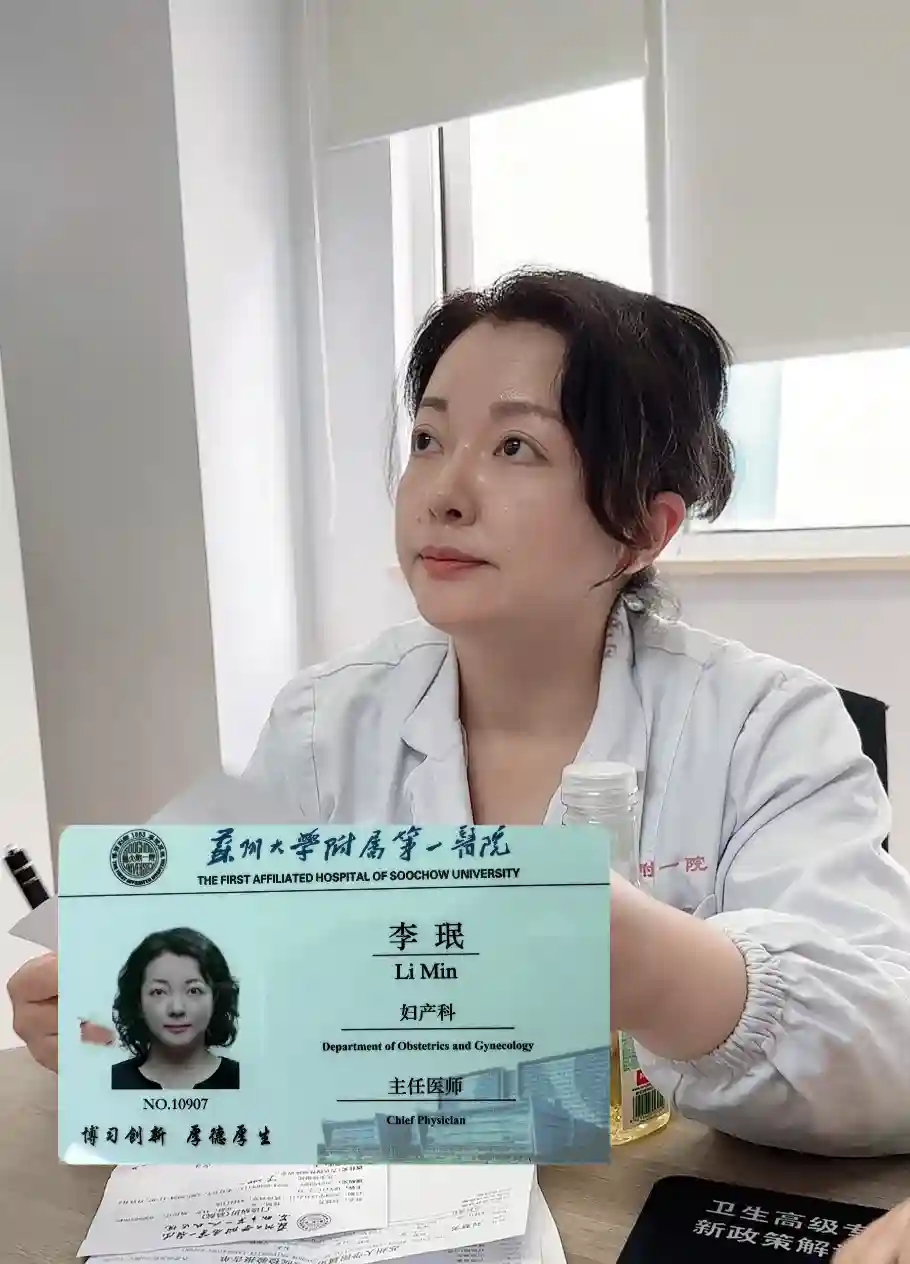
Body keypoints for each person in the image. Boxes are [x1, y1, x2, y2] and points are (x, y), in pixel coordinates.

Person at [8, 270, 910, 1153]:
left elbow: (892, 1056)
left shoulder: (765, 727)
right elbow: (243, 996)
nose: (442, 493)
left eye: (516, 448)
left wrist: (658, 972)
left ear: (642, 528)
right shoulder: (328, 720)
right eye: (428, 439)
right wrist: (117, 1025)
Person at [109, 927, 240, 1090]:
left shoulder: (244, 1081)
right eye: (159, 992)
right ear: (138, 1002)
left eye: (193, 991)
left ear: (216, 998)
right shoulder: (111, 1083)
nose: (177, 1009)